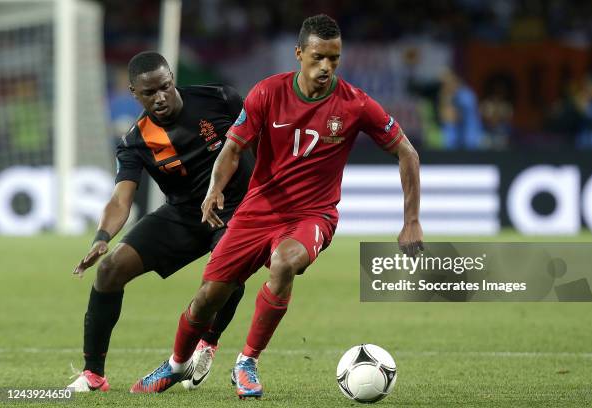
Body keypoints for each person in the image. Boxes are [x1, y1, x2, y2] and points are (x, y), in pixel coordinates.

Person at [130, 15, 423, 398]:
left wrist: (411, 222)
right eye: (318, 57)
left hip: (312, 215)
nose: (326, 67)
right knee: (207, 299)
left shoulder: (355, 104)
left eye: (334, 59)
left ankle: (247, 361)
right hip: (257, 210)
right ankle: (176, 364)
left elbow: (408, 153)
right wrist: (215, 189)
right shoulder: (267, 93)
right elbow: (233, 147)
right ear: (299, 53)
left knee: (285, 262)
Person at [67, 51, 254, 392]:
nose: (160, 97)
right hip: (183, 215)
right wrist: (101, 236)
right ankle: (93, 374)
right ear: (134, 93)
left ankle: (205, 346)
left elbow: (259, 140)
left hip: (238, 209)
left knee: (227, 268)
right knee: (110, 270)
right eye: (149, 93)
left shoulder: (220, 99)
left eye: (165, 87)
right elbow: (121, 198)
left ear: (172, 79)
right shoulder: (136, 141)